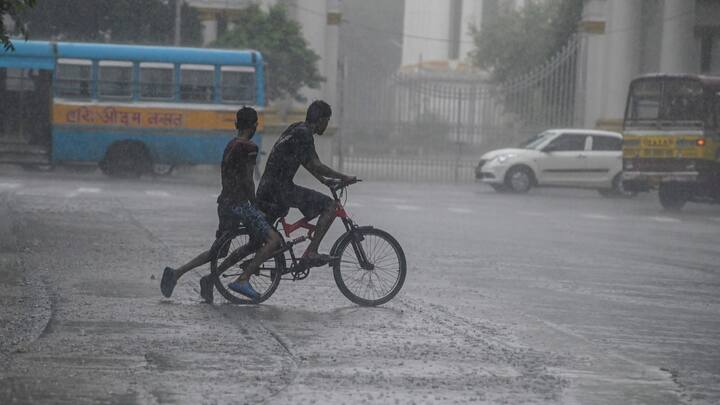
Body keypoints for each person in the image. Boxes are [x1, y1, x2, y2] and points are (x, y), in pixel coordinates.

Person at [160, 107, 281, 302]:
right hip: (240, 205)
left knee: (219, 250)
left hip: (224, 203)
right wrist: (256, 205)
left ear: (235, 125)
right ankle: (243, 279)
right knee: (274, 240)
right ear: (255, 126)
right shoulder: (249, 148)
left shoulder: (231, 144)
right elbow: (248, 181)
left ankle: (177, 273)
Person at [256, 100, 355, 266]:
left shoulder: (296, 128)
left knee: (259, 239)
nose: (327, 124)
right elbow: (315, 164)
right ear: (322, 120)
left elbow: (307, 162)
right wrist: (343, 177)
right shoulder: (304, 134)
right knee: (330, 206)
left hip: (268, 188)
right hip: (280, 190)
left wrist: (324, 181)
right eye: (328, 121)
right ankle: (311, 252)